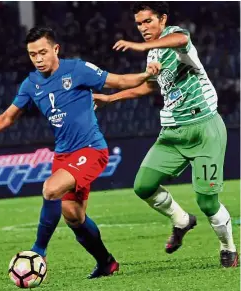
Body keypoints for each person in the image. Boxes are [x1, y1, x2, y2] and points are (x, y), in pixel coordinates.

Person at [0, 26, 161, 278]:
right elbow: (8, 117)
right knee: (74, 218)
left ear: (55, 49)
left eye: (43, 52)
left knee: (50, 189)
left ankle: (38, 251)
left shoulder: (77, 69)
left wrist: (145, 74)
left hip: (91, 149)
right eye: (33, 55)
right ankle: (106, 262)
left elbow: (117, 80)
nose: (38, 59)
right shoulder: (30, 84)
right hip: (63, 155)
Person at [93, 2, 238, 268]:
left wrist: (142, 45)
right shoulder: (153, 56)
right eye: (139, 23)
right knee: (143, 186)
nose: (143, 28)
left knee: (207, 202)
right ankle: (182, 220)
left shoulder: (177, 38)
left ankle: (228, 248)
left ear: (163, 19)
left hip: (204, 129)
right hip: (172, 132)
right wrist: (110, 99)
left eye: (148, 21)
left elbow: (181, 38)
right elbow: (148, 87)